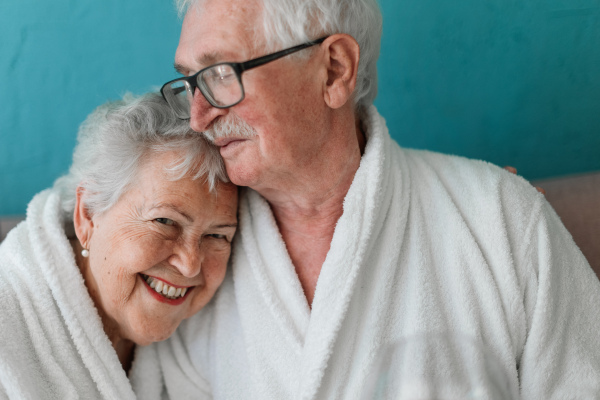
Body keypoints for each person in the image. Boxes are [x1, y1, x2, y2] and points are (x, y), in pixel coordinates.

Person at [147, 0, 600, 398]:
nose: (198, 117)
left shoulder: (501, 221)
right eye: (189, 81)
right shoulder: (188, 260)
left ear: (335, 69)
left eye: (222, 75)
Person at [0, 93, 238, 399]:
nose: (191, 264)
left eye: (217, 236)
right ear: (87, 215)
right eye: (165, 221)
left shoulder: (199, 343)